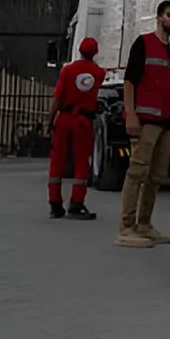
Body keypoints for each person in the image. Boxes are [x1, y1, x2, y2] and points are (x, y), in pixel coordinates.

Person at [116, 0, 170, 248]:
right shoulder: (144, 43)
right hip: (146, 120)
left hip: (165, 122)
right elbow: (130, 81)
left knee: (156, 176)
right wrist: (131, 114)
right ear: (159, 17)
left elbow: (169, 89)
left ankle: (144, 224)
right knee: (137, 172)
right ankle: (126, 227)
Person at [46, 36, 105, 220]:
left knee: (57, 160)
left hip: (64, 118)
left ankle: (55, 203)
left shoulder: (68, 70)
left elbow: (58, 97)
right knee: (81, 162)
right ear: (95, 52)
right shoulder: (99, 73)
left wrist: (50, 120)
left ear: (78, 50)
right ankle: (76, 203)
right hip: (83, 121)